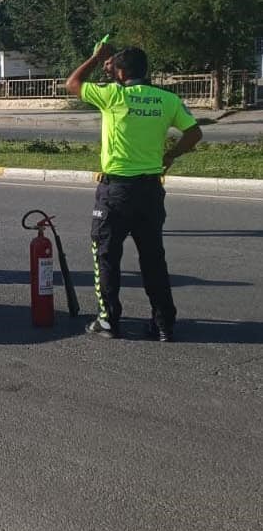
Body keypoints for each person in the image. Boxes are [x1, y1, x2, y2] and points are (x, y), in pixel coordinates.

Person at [65, 44, 202, 341]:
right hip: (150, 191)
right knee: (153, 259)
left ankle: (108, 320)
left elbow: (72, 83)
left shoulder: (114, 96)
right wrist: (170, 156)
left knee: (106, 256)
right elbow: (194, 133)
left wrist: (96, 58)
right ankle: (164, 323)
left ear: (122, 73)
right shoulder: (167, 99)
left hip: (115, 191)